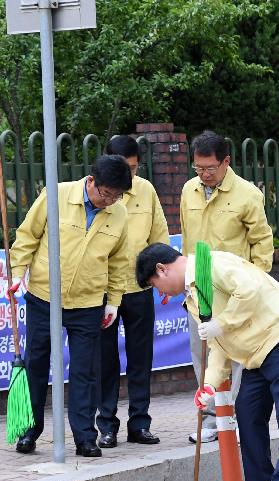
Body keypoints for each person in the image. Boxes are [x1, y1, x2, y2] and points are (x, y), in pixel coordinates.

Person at [136, 243, 279, 481]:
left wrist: (223, 322)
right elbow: (218, 344)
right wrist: (209, 385)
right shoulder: (192, 296)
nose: (161, 293)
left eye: (155, 286)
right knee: (247, 411)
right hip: (254, 351)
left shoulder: (213, 265)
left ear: (162, 269)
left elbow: (249, 291)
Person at [9, 155, 131, 458]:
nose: (110, 201)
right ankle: (29, 431)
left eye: (117, 196)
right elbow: (27, 237)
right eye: (107, 193)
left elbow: (119, 262)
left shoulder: (119, 214)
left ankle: (85, 437)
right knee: (36, 365)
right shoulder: (56, 194)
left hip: (89, 302)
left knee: (85, 372)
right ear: (92, 181)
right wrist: (16, 273)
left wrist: (113, 302)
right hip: (43, 296)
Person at [179, 130, 274, 443]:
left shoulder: (247, 195)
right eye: (198, 168)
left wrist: (257, 282)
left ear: (226, 162)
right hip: (199, 287)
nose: (204, 175)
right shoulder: (188, 191)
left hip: (235, 291)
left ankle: (229, 415)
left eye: (210, 168)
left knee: (234, 356)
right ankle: (212, 417)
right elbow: (186, 240)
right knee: (202, 354)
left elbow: (262, 241)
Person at [96, 136, 170, 449]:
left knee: (141, 359)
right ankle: (107, 426)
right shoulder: (100, 195)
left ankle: (140, 423)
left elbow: (159, 236)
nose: (130, 176)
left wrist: (164, 275)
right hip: (103, 290)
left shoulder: (146, 190)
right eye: (124, 169)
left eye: (135, 168)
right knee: (105, 361)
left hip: (139, 288)